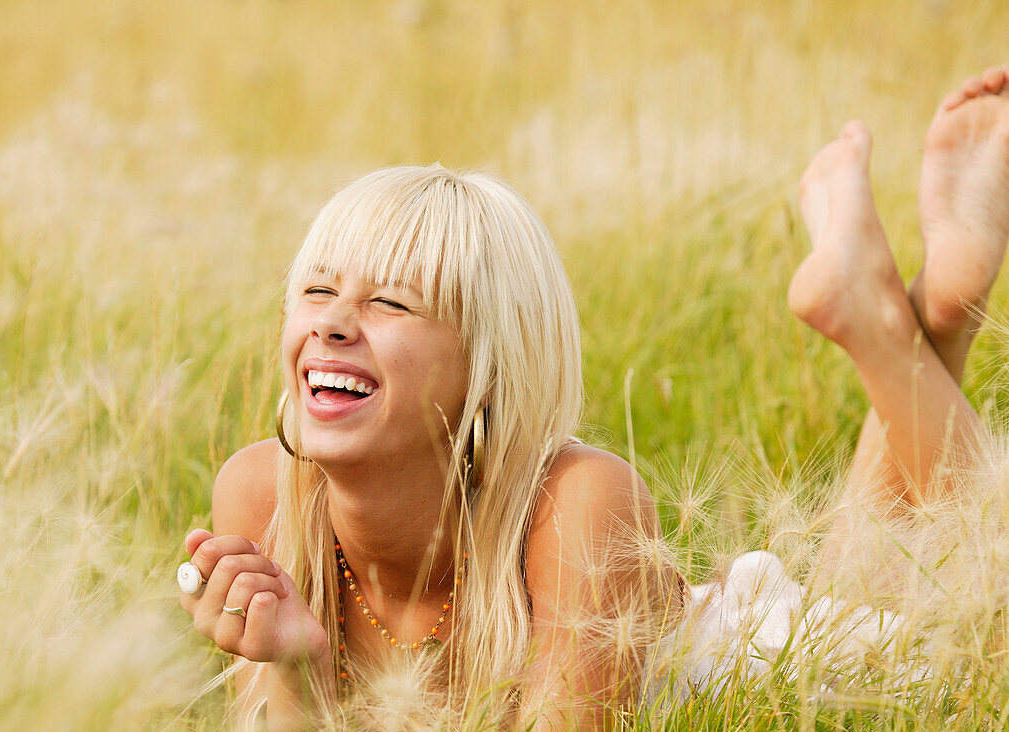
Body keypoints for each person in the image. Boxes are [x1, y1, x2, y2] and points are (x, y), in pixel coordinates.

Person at [178, 65, 1009, 729]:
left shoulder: (572, 501)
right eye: (316, 292)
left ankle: (887, 324)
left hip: (749, 665)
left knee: (977, 637)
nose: (332, 325)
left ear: (490, 369)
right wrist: (297, 671)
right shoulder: (259, 499)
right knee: (868, 583)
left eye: (391, 303)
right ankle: (919, 322)